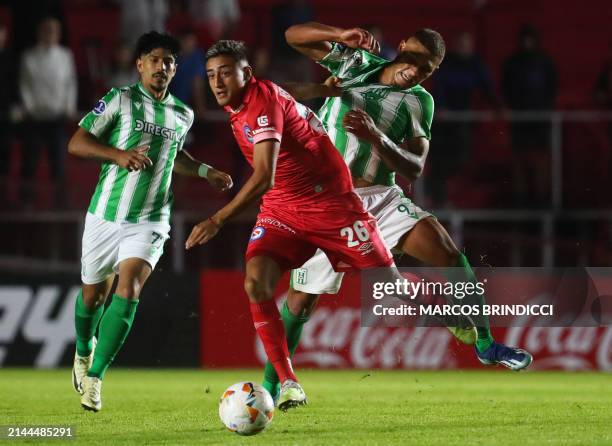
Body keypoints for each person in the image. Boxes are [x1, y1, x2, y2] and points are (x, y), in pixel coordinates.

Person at [258, 22, 534, 401]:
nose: (417, 70)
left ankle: (486, 344)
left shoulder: (420, 101)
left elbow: (416, 166)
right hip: (326, 201)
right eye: (415, 58)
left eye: (427, 68)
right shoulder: (355, 64)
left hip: (380, 197)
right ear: (401, 46)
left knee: (448, 253)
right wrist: (341, 35)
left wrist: (378, 137)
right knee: (300, 302)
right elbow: (290, 35)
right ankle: (271, 391)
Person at [187, 39, 397, 411]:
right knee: (256, 280)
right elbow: (288, 92)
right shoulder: (251, 97)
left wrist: (217, 219)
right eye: (211, 76)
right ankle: (288, 384)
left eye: (225, 74)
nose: (217, 83)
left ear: (246, 74)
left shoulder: (260, 102)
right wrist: (320, 90)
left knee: (392, 288)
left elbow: (264, 175)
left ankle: (469, 325)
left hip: (331, 204)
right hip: (284, 209)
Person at [68, 31, 233, 412]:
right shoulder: (119, 99)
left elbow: (176, 156)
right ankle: (82, 350)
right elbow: (76, 143)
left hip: (151, 219)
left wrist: (206, 170)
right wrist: (117, 155)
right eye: (155, 60)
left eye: (170, 62)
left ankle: (95, 379)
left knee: (128, 289)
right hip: (105, 215)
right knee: (93, 295)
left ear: (176, 69)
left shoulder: (182, 113)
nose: (163, 67)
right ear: (139, 64)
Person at [18, 16, 77, 208]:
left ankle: (59, 203)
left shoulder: (65, 56)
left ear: (58, 34)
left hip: (57, 117)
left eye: (54, 30)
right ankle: (26, 202)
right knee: (30, 161)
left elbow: (70, 83)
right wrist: (30, 107)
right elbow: (24, 85)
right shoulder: (29, 56)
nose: (50, 34)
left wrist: (69, 106)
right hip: (35, 117)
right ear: (40, 32)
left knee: (58, 163)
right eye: (46, 30)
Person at [502, 24, 557, 207]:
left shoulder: (544, 62)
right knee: (519, 160)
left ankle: (542, 200)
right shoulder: (512, 63)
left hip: (540, 119)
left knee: (540, 160)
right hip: (519, 120)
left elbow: (551, 88)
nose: (527, 43)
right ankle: (520, 199)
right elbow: (506, 89)